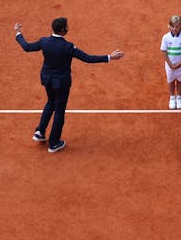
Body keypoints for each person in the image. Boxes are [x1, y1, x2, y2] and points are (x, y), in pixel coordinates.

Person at [15, 17, 123, 153]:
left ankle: (40, 132)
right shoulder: (68, 47)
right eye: (66, 27)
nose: (68, 28)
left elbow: (27, 47)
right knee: (59, 110)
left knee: (50, 102)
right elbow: (87, 58)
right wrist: (109, 57)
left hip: (47, 79)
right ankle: (54, 143)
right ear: (62, 30)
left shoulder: (44, 41)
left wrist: (18, 33)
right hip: (61, 84)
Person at [161, 15, 181, 110]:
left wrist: (180, 63)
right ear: (169, 26)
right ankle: (172, 98)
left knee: (180, 81)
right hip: (169, 65)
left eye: (177, 26)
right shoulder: (165, 37)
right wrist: (170, 64)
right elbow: (164, 51)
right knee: (171, 81)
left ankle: (178, 97)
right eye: (173, 26)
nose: (174, 29)